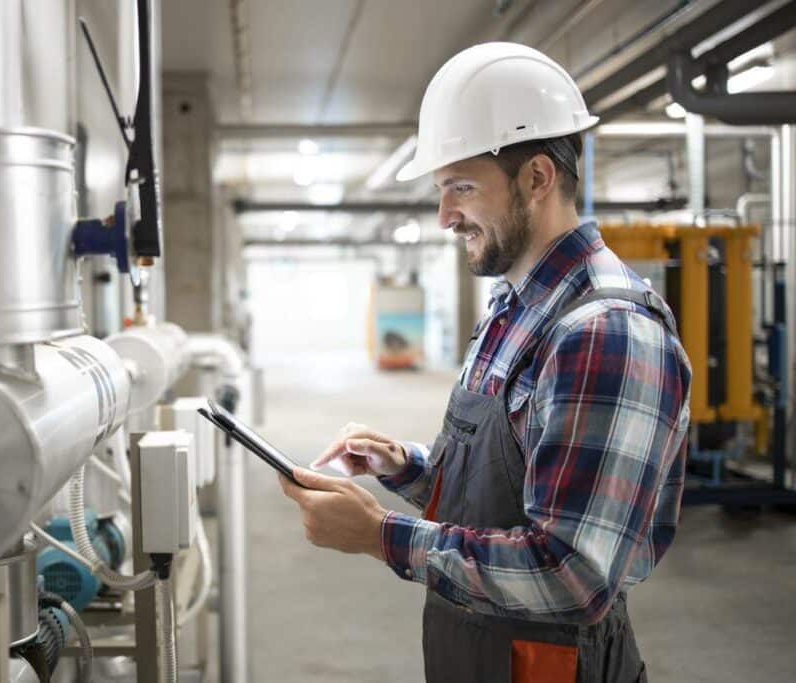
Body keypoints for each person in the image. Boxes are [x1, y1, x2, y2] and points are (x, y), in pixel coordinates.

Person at [277, 42, 691, 683]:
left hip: (550, 665)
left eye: (461, 188)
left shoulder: (605, 332)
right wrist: (406, 466)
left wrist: (380, 535)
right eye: (442, 192)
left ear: (537, 178)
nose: (445, 217)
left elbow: (572, 576)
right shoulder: (510, 309)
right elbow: (506, 492)